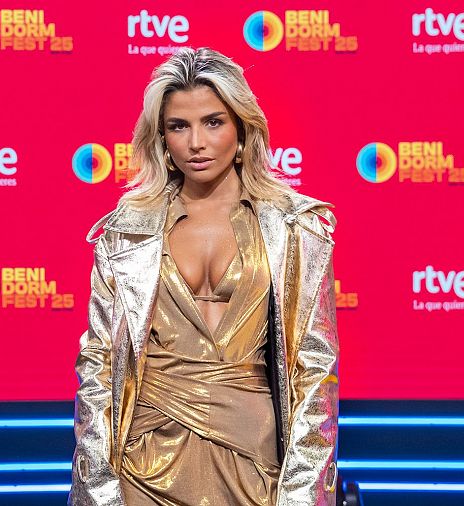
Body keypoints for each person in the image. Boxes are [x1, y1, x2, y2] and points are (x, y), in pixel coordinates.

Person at [69, 47, 339, 506]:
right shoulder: (126, 233)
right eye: (179, 126)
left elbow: (316, 368)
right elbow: (98, 366)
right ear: (162, 138)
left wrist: (305, 491)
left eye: (213, 122)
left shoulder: (295, 227)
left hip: (255, 457)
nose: (196, 142)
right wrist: (97, 485)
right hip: (145, 457)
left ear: (242, 129)